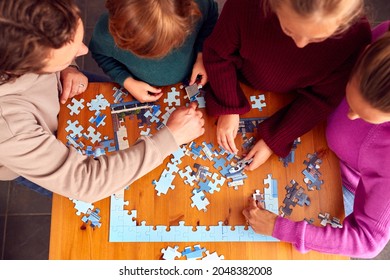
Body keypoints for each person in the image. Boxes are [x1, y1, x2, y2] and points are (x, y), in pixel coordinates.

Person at [0, 0, 205, 203]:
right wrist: (172, 137)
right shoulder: (8, 130)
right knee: (107, 201)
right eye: (68, 55)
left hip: (66, 94)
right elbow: (86, 182)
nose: (84, 51)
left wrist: (67, 67)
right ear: (24, 68)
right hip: (36, 153)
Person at [243, 30, 390, 258]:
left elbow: (369, 242)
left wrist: (281, 228)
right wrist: (277, 136)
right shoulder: (380, 43)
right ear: (365, 53)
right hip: (312, 125)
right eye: (351, 101)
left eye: (364, 116)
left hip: (347, 184)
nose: (350, 116)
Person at [203, 0, 371, 170]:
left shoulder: (355, 37)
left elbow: (321, 100)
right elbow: (218, 54)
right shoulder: (247, 5)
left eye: (318, 38)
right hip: (239, 76)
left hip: (292, 98)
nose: (300, 43)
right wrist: (229, 105)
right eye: (289, 30)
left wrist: (274, 139)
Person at [89, 0, 219, 103]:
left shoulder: (196, 6)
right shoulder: (105, 33)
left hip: (193, 72)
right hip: (143, 85)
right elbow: (100, 54)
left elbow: (211, 15)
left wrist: (201, 55)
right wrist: (127, 82)